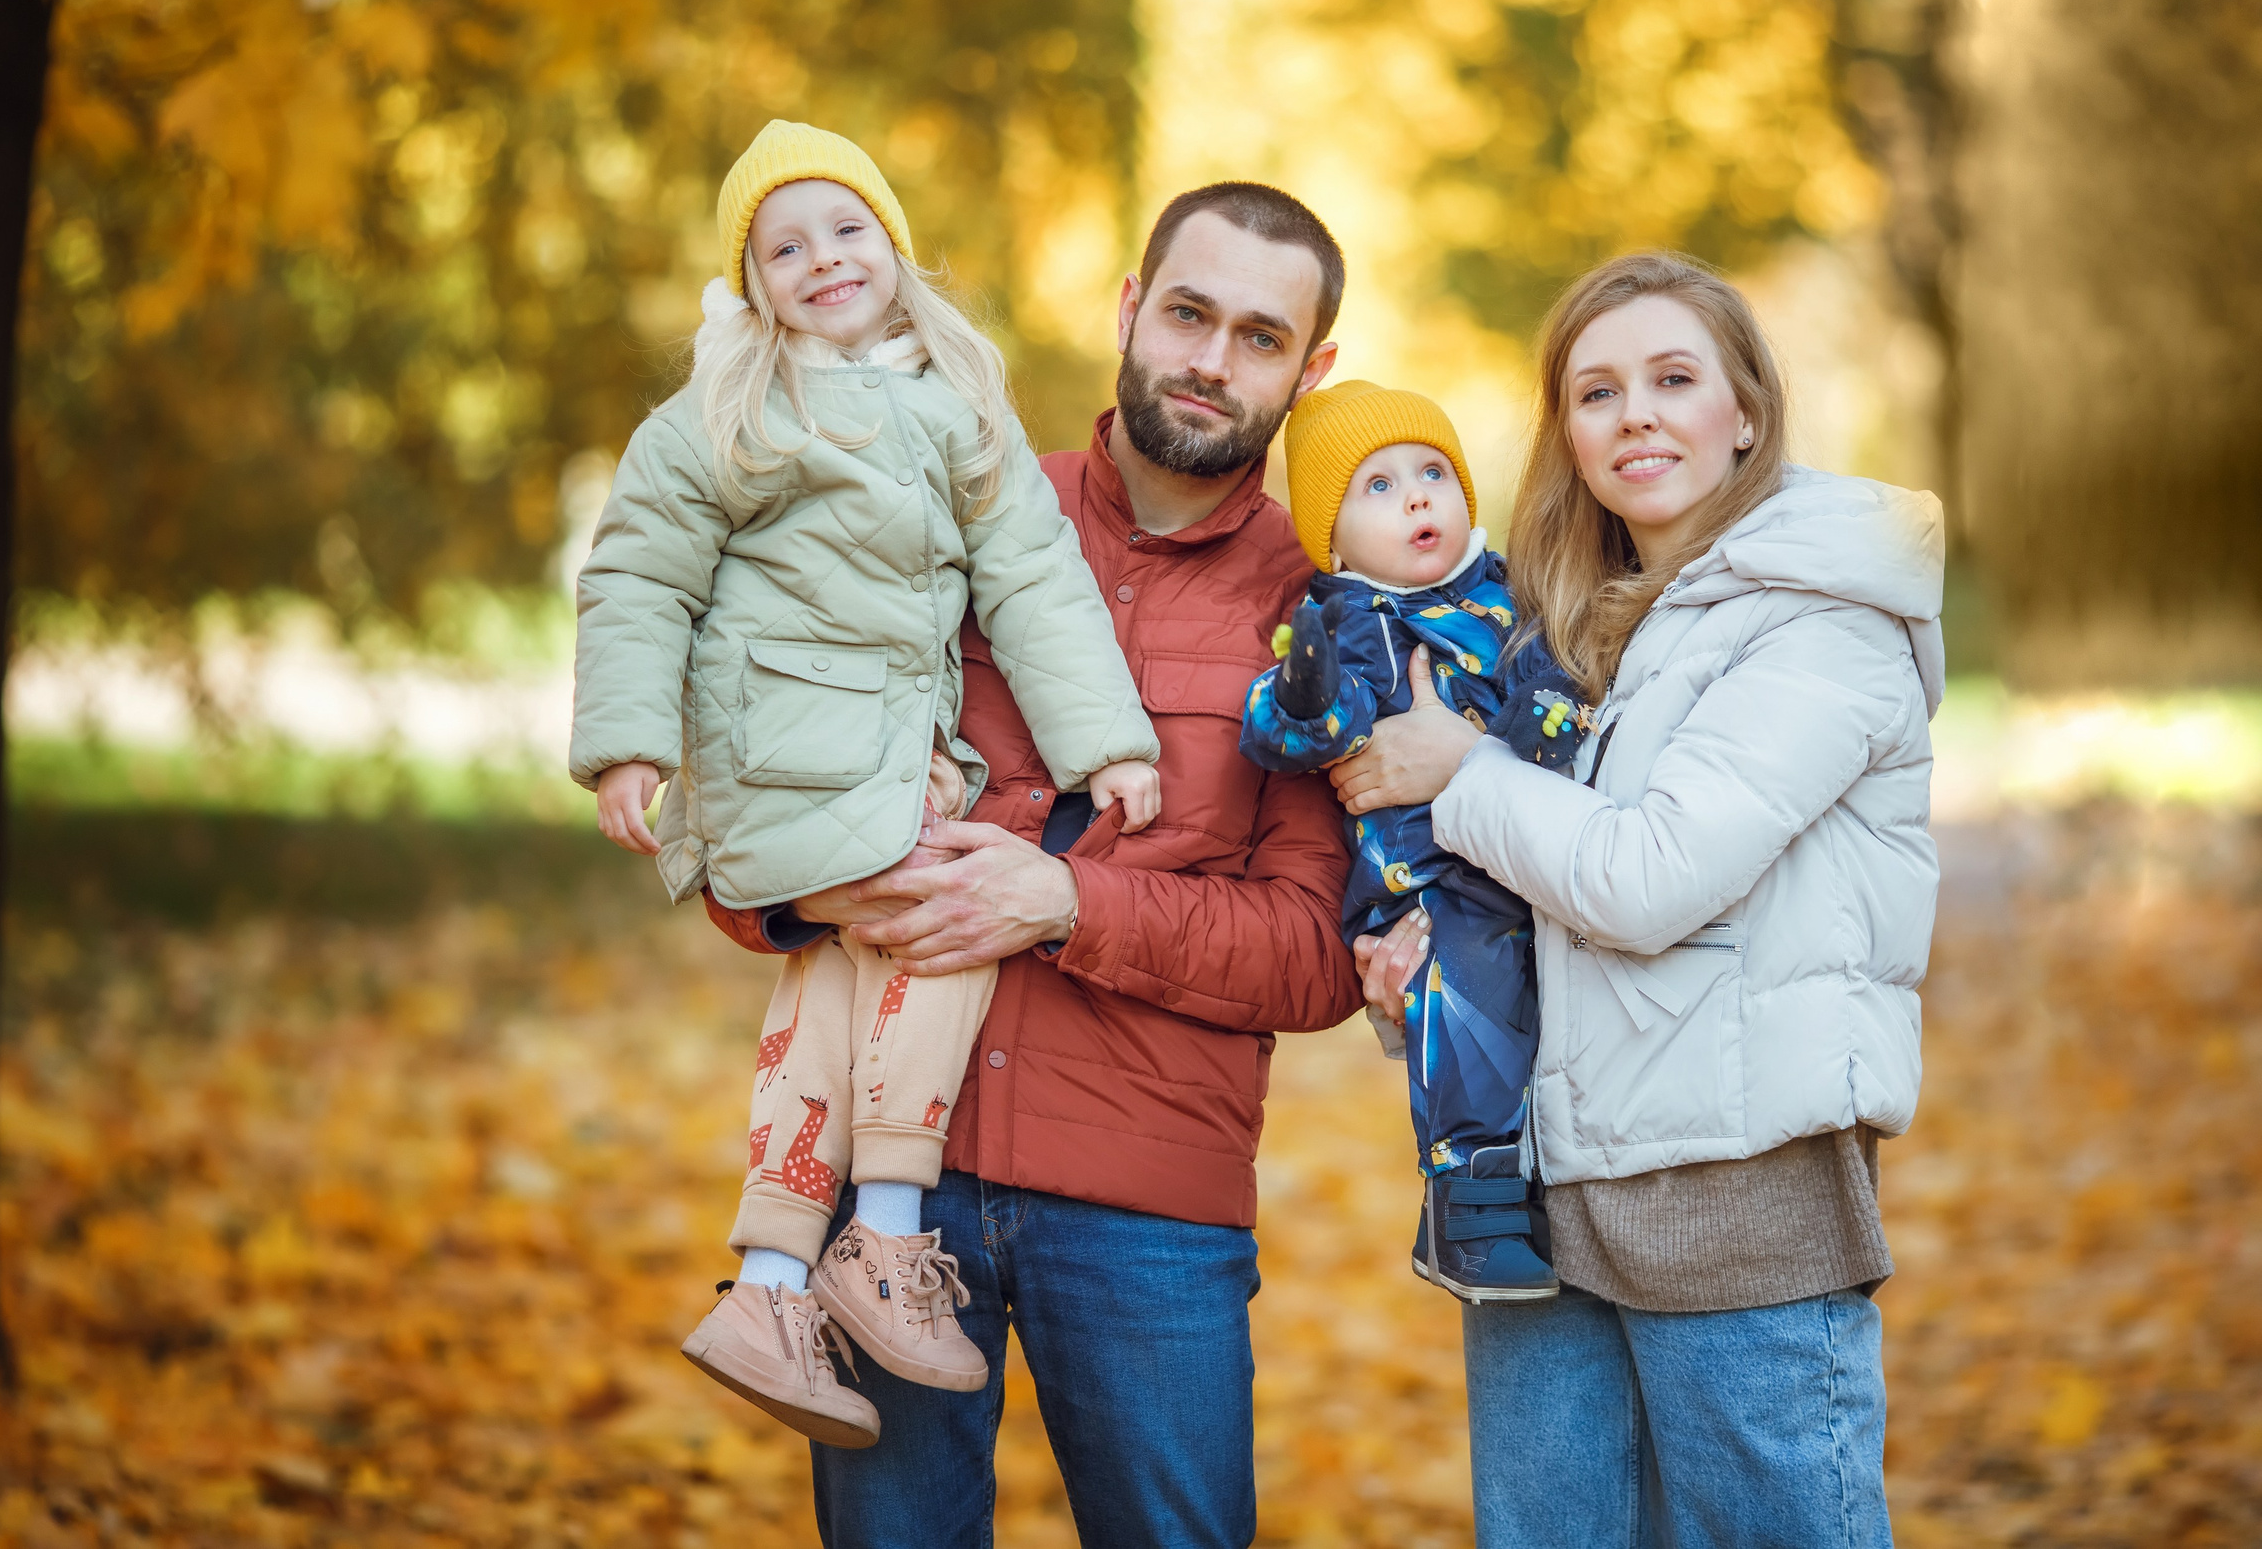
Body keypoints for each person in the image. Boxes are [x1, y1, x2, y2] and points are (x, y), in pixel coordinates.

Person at [705, 181, 1364, 1549]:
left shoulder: (1322, 611)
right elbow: (748, 780)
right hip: (890, 1182)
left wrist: (1065, 901)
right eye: (1187, 313)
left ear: (1310, 370)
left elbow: (1315, 953)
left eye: (1258, 337)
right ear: (1129, 309)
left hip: (1147, 1208)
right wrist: (806, 889)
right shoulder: (934, 493)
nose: (1210, 359)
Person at [569, 120, 1165, 1448]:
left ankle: (771, 1280)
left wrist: (1105, 743)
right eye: (785, 247)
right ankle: (883, 1235)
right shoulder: (728, 413)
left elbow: (1034, 578)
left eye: (848, 229)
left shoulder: (957, 407)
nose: (824, 259)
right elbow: (640, 570)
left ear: (893, 246)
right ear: (751, 284)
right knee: (950, 916)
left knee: (837, 972)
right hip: (778, 748)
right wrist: (627, 742)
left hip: (876, 760)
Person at [1336, 251, 1943, 1548]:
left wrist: (1460, 772)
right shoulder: (1557, 631)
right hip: (1540, 1190)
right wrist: (1419, 970)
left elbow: (1649, 877)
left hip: (1735, 1189)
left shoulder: (1820, 619)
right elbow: (1534, 887)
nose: (1636, 416)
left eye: (1674, 379)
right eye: (1597, 391)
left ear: (1748, 411)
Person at [1235, 379, 1584, 1302]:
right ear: (1335, 541)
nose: (1418, 498)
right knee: (1470, 1010)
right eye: (1379, 487)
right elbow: (1298, 731)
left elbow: (1556, 678)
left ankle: (1522, 1189)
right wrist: (1306, 694)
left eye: (1433, 473)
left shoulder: (1513, 594)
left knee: (1546, 1023)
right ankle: (1468, 1204)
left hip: (1532, 856)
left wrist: (1538, 729)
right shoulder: (1350, 626)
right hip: (1432, 885)